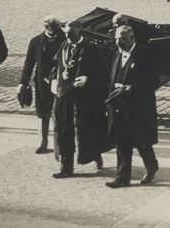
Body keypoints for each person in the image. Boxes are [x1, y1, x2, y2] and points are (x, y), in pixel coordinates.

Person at [49, 21, 111, 178]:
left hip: (84, 99)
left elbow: (103, 74)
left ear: (80, 31)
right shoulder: (64, 46)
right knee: (63, 130)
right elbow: (56, 67)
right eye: (66, 34)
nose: (68, 37)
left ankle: (96, 156)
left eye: (71, 34)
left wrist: (88, 79)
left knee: (87, 131)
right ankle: (66, 167)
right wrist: (53, 81)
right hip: (64, 96)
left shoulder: (92, 49)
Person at [105, 26, 160, 188]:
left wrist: (132, 88)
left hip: (139, 108)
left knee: (142, 143)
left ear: (131, 38)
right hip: (120, 107)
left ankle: (151, 167)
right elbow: (111, 80)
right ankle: (122, 177)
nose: (119, 42)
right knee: (121, 142)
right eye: (116, 39)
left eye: (122, 39)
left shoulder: (144, 55)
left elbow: (154, 81)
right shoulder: (117, 55)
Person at [19, 16, 65, 153]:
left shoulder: (64, 39)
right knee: (42, 113)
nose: (52, 32)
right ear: (45, 28)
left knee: (59, 114)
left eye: (54, 29)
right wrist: (23, 82)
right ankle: (43, 142)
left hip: (59, 82)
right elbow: (29, 63)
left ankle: (59, 144)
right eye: (49, 29)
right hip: (41, 83)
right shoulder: (36, 41)